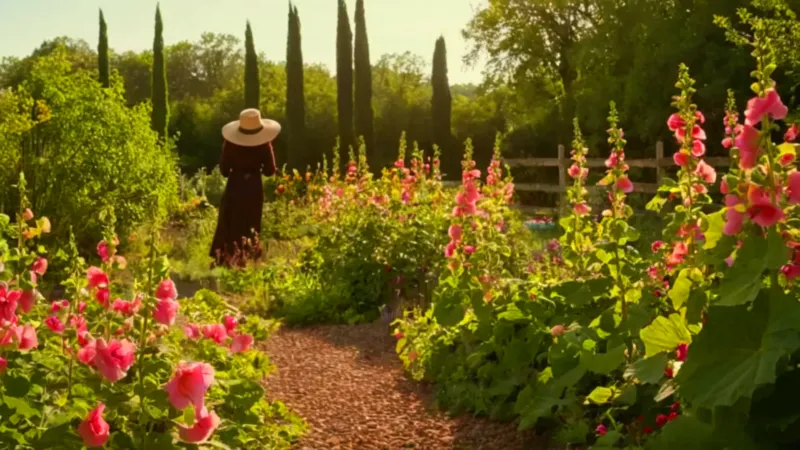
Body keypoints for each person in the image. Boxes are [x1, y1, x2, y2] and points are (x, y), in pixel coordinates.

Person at [209, 108, 280, 266]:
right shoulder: (264, 144)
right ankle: (247, 255)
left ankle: (225, 256)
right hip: (253, 185)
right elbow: (269, 171)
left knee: (230, 218)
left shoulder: (230, 144)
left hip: (235, 184)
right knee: (251, 221)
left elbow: (224, 170)